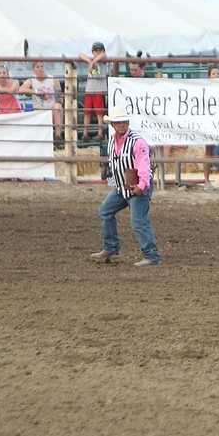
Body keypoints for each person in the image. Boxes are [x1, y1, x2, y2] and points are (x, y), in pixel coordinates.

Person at [89, 106, 161, 267]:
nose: (121, 124)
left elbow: (144, 165)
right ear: (113, 125)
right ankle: (111, 249)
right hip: (122, 186)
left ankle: (151, 255)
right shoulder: (113, 141)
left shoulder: (138, 142)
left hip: (137, 187)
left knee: (138, 220)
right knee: (105, 211)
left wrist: (142, 186)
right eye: (118, 122)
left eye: (124, 122)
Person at [19, 60, 64, 143]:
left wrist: (58, 100)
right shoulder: (31, 80)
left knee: (58, 106)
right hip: (39, 111)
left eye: (42, 66)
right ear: (34, 70)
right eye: (37, 67)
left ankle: (58, 135)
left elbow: (60, 98)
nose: (40, 69)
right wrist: (36, 92)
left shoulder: (53, 80)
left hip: (52, 110)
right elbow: (21, 89)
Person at [79, 41, 111, 141]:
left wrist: (92, 62)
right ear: (92, 52)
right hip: (90, 89)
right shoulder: (92, 59)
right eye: (95, 50)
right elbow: (80, 54)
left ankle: (100, 133)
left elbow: (102, 55)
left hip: (99, 89)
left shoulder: (103, 59)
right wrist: (90, 61)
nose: (98, 52)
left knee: (99, 112)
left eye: (100, 50)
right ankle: (85, 133)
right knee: (87, 112)